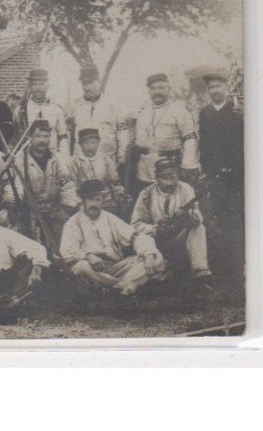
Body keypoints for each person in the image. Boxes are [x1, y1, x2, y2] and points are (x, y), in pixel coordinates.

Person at [60, 180, 166, 296]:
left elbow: (135, 236)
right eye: (90, 200)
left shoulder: (110, 218)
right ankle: (124, 286)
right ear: (83, 201)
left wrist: (148, 253)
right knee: (80, 267)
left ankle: (119, 287)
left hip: (116, 268)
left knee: (156, 257)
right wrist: (87, 256)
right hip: (94, 271)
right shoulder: (73, 223)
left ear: (102, 201)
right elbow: (67, 252)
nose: (94, 204)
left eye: (98, 199)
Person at [131, 157, 214, 296]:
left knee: (198, 228)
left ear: (177, 175)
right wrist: (154, 228)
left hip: (179, 239)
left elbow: (196, 213)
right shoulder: (146, 194)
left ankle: (201, 276)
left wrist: (193, 218)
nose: (169, 182)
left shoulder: (185, 189)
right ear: (156, 178)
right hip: (156, 242)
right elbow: (135, 224)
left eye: (172, 177)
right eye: (164, 178)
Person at [198, 70, 245, 260]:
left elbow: (241, 143)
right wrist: (208, 170)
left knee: (237, 212)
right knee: (220, 212)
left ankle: (240, 255)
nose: (214, 90)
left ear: (225, 87)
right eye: (211, 87)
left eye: (218, 86)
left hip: (236, 172)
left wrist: (235, 167)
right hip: (215, 173)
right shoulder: (205, 113)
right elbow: (205, 144)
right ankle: (226, 256)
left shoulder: (237, 111)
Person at [14, 119, 77, 248]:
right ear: (30, 138)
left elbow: (67, 183)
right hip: (31, 211)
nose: (42, 140)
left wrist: (66, 208)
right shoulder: (21, 160)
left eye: (46, 136)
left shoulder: (57, 159)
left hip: (53, 210)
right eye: (38, 136)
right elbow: (17, 185)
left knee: (60, 246)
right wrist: (21, 207)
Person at [133, 73, 199, 189]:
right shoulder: (143, 112)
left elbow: (190, 138)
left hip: (169, 164)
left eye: (161, 88)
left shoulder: (179, 111)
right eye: (153, 89)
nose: (156, 92)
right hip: (145, 167)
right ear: (149, 92)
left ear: (169, 89)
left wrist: (188, 164)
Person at [69, 65, 129, 166]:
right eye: (84, 83)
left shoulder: (113, 105)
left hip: (107, 161)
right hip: (81, 163)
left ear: (99, 82)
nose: (87, 87)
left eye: (91, 82)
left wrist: (121, 159)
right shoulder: (75, 106)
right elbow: (70, 136)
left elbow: (122, 134)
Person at [66, 128, 128, 216]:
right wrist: (79, 204)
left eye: (93, 143)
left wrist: (119, 194)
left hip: (106, 204)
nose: (90, 147)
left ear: (98, 142)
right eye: (85, 143)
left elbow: (115, 183)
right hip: (84, 205)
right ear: (80, 144)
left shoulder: (106, 160)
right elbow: (71, 189)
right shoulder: (73, 163)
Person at [13, 68, 69, 157]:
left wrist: (63, 158)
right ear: (30, 87)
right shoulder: (20, 110)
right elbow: (16, 139)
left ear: (47, 86)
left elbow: (62, 137)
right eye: (34, 84)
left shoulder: (57, 109)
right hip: (28, 160)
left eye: (41, 84)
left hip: (52, 158)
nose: (38, 88)